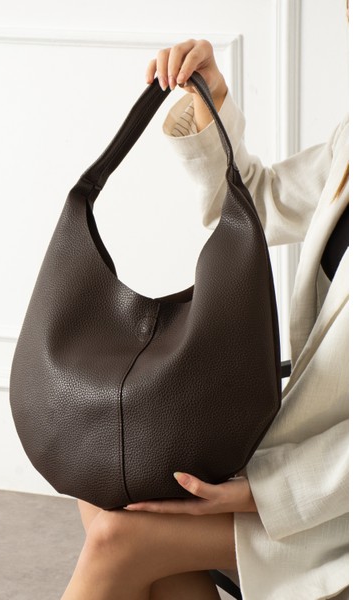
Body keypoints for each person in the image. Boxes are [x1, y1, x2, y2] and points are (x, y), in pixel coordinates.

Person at [60, 25, 349, 600]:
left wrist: (264, 490)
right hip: (313, 459)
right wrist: (208, 102)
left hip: (339, 503)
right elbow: (258, 203)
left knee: (118, 537)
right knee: (102, 485)